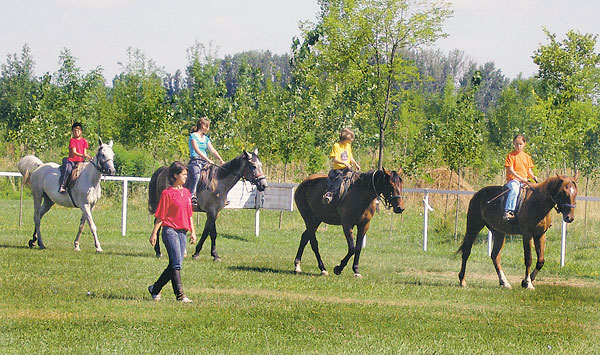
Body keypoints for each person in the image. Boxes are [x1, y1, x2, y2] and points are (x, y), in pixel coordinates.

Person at [148, 161, 197, 303]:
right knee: (176, 264)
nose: (186, 177)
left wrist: (193, 232)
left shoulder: (187, 193)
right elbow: (161, 215)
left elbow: (189, 215)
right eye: (183, 174)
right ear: (175, 175)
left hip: (183, 232)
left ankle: (155, 288)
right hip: (170, 231)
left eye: (186, 174)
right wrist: (154, 233)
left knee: (176, 263)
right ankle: (180, 296)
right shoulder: (167, 194)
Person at [187, 117, 224, 204]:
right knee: (196, 174)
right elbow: (196, 150)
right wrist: (207, 159)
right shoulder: (193, 136)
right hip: (195, 160)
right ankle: (192, 194)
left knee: (216, 175)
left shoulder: (206, 138)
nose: (208, 129)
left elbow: (213, 150)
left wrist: (221, 159)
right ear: (203, 126)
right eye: (207, 127)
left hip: (205, 161)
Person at [503, 134, 538, 221]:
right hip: (513, 180)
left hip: (524, 181)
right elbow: (511, 170)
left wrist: (533, 177)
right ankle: (509, 211)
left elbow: (529, 171)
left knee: (536, 191)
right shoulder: (510, 156)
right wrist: (521, 178)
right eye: (516, 144)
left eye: (520, 144)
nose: (518, 146)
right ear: (513, 144)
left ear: (524, 144)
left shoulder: (526, 156)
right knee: (514, 189)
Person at [322, 128, 361, 204]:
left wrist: (355, 164)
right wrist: (344, 163)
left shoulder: (348, 145)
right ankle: (329, 194)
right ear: (344, 138)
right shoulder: (336, 146)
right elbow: (335, 159)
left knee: (355, 178)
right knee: (339, 179)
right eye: (349, 139)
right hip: (338, 169)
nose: (351, 140)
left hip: (347, 168)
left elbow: (350, 157)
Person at [59, 122, 92, 193]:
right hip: (71, 160)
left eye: (78, 130)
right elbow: (74, 152)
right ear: (72, 132)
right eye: (74, 131)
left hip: (80, 161)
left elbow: (85, 152)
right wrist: (83, 155)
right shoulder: (72, 140)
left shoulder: (84, 141)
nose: (76, 132)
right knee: (68, 169)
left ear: (81, 131)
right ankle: (63, 185)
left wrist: (88, 156)